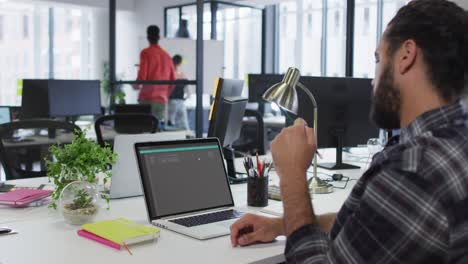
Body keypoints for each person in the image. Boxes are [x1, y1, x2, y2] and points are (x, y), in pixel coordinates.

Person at [230, 0, 468, 263]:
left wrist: (293, 175)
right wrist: (282, 225)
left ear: (405, 55)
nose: (372, 79)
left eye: (378, 59)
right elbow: (373, 228)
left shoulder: (413, 170)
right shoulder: (454, 143)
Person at [134, 25, 175, 123]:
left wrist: (135, 85)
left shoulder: (146, 53)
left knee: (144, 129)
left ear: (147, 37)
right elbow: (173, 81)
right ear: (159, 37)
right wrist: (165, 94)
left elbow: (142, 76)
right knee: (157, 130)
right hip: (161, 99)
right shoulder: (166, 55)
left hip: (146, 98)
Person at [168, 55, 190, 130]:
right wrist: (185, 99)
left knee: (170, 123)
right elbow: (188, 93)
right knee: (183, 124)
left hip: (171, 101)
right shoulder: (183, 75)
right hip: (180, 102)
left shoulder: (169, 74)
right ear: (180, 63)